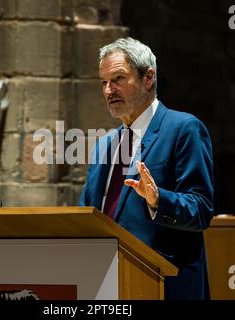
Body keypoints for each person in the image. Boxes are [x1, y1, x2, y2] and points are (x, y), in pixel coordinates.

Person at [79, 37, 214, 300]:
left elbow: (201, 210)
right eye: (104, 83)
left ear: (148, 77)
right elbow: (89, 212)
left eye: (118, 79)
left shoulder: (183, 128)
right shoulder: (104, 145)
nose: (109, 90)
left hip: (164, 285)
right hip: (105, 285)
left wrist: (158, 200)